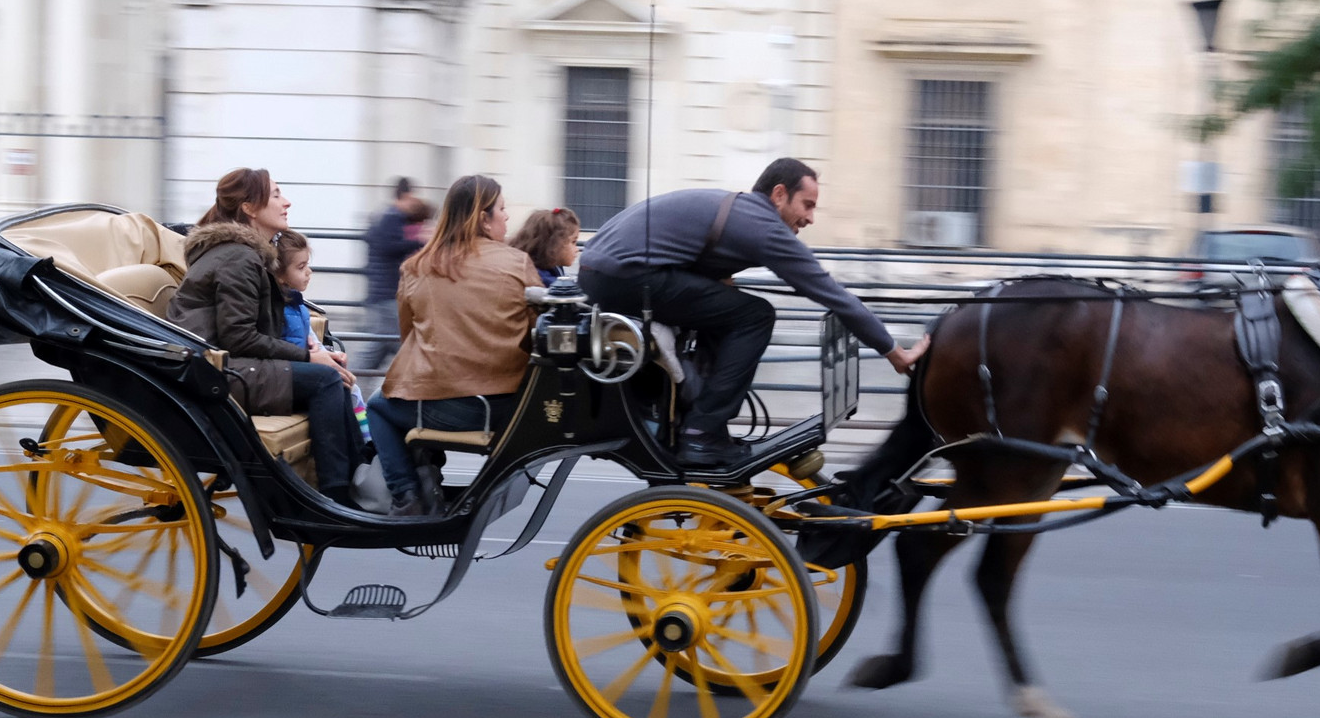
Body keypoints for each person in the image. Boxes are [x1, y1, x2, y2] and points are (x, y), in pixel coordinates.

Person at [578, 157, 927, 467]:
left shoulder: (744, 211)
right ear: (778, 194)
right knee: (754, 314)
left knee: (732, 308)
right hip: (621, 276)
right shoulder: (762, 227)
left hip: (607, 272)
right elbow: (832, 293)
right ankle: (701, 432)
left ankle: (697, 418)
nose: (810, 218)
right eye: (807, 205)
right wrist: (893, 351)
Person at [168, 168, 361, 508]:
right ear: (249, 208)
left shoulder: (245, 253)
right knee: (326, 380)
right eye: (275, 195)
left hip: (231, 365)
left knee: (334, 378)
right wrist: (307, 358)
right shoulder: (237, 257)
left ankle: (361, 476)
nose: (286, 202)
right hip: (219, 373)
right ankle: (336, 497)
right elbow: (239, 337)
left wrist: (314, 352)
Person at [367, 174, 542, 517]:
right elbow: (538, 332)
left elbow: (409, 337)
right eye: (502, 209)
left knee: (377, 406)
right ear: (483, 217)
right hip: (509, 407)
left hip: (448, 407)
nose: (507, 217)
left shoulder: (417, 266)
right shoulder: (517, 263)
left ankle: (406, 494)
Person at [272, 229, 373, 451]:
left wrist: (329, 356)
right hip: (294, 368)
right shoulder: (282, 309)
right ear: (280, 275)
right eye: (301, 267)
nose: (309, 272)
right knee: (345, 386)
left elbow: (311, 341)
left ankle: (364, 442)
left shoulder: (299, 307)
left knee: (351, 385)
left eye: (307, 265)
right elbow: (283, 346)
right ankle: (363, 444)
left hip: (305, 363)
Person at [360, 177, 431, 372]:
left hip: (383, 291)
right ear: (406, 196)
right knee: (396, 344)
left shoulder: (385, 215)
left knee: (380, 346)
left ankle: (351, 383)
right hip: (387, 292)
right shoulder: (392, 217)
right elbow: (388, 247)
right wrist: (419, 241)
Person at [508, 206, 581, 287]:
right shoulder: (543, 280)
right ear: (553, 244)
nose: (577, 249)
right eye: (573, 242)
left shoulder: (554, 268)